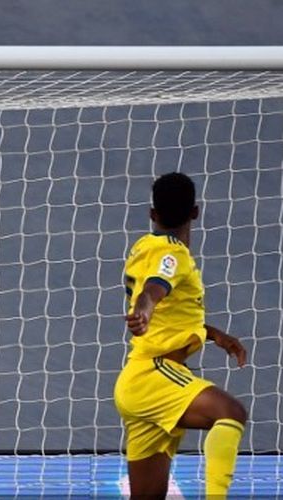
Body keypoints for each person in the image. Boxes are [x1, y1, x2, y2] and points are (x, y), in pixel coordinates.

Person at [114, 172, 248, 498]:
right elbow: (155, 289)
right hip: (156, 375)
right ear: (195, 212)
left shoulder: (144, 247)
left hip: (139, 381)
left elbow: (165, 303)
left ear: (152, 214)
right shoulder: (173, 254)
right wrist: (145, 309)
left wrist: (213, 334)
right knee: (230, 413)